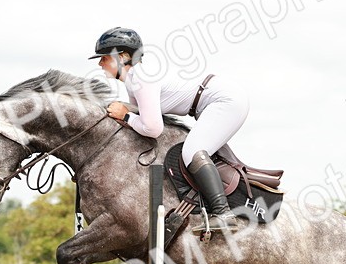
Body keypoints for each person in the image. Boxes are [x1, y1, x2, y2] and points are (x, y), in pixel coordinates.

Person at [90, 26, 248, 233]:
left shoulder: (140, 78)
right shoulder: (133, 81)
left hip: (224, 101)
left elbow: (153, 128)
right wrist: (125, 112)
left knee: (193, 152)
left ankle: (223, 213)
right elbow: (142, 114)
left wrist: (125, 114)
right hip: (212, 102)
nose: (100, 63)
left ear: (122, 57)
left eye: (104, 58)